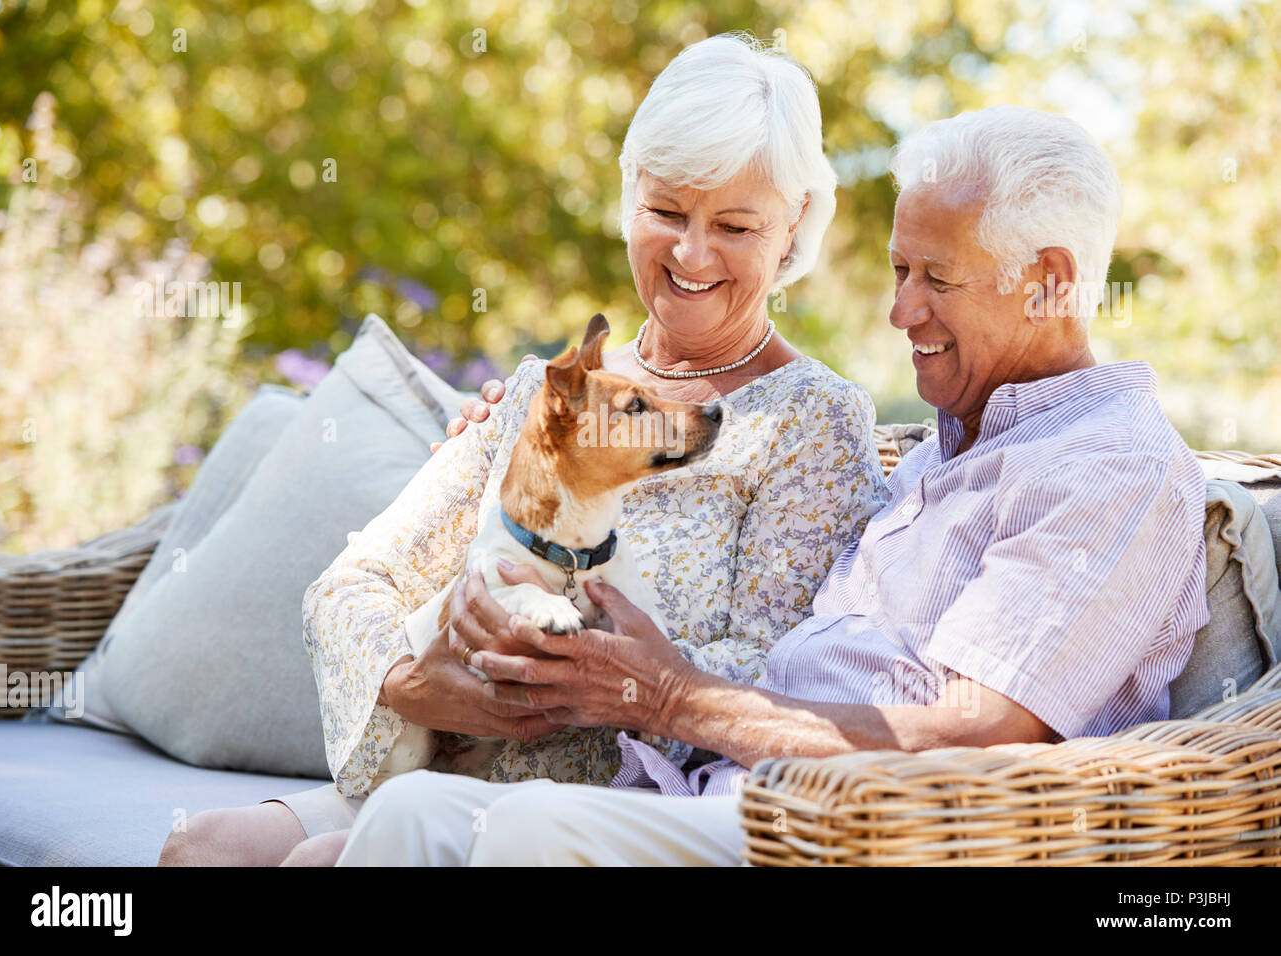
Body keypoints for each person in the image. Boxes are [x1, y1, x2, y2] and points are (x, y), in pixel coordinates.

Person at [332, 104, 1210, 866]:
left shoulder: (1110, 468)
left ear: (1050, 283)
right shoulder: (948, 451)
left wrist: (670, 694)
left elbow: (974, 731)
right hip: (721, 791)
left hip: (852, 832)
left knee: (532, 832)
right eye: (901, 271)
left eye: (937, 279)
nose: (901, 312)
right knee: (412, 813)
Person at [157, 33, 889, 867]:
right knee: (200, 847)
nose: (691, 253)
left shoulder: (812, 419)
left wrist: (584, 673)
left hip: (614, 796)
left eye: (734, 224)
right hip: (457, 751)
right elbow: (355, 583)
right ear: (629, 196)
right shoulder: (545, 392)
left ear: (793, 226)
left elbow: (777, 670)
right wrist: (417, 682)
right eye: (666, 212)